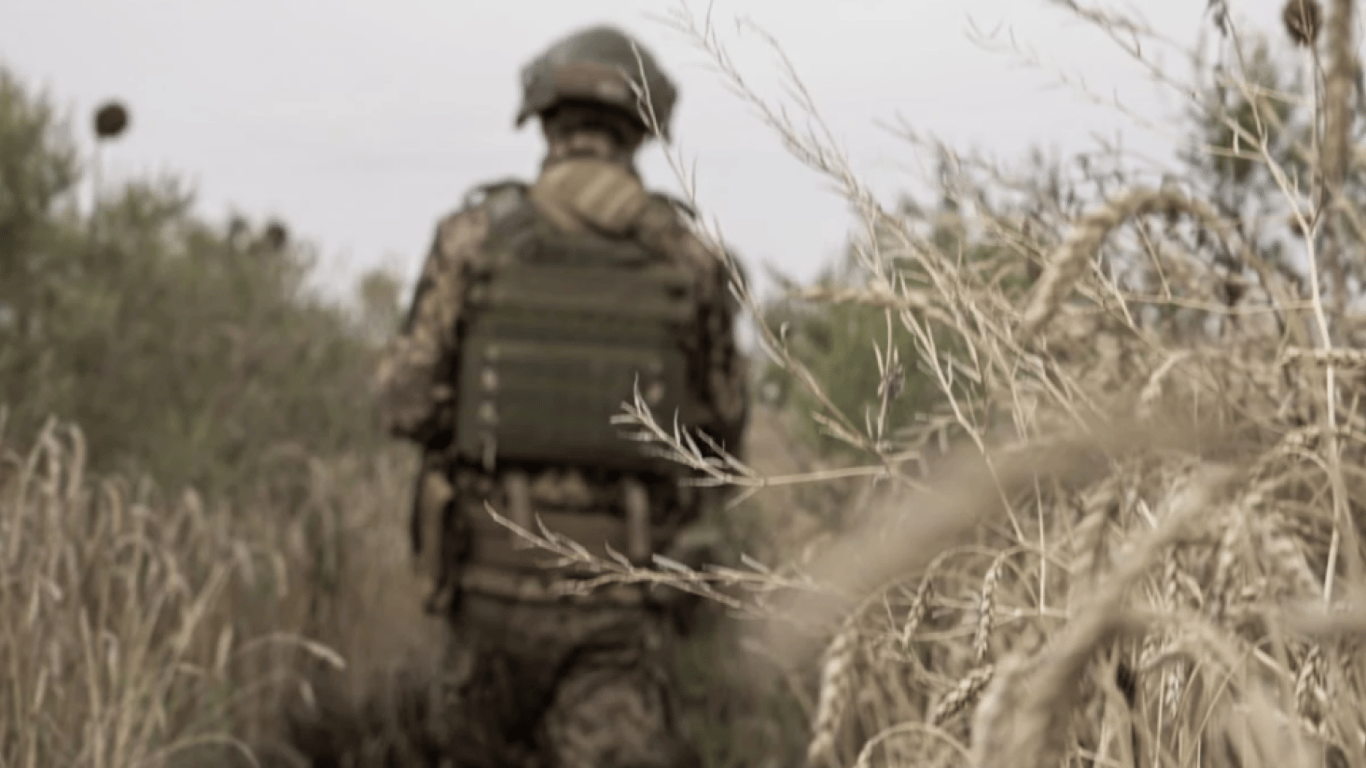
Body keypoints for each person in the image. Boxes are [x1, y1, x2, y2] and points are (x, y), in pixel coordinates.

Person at [372, 23, 749, 768]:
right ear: (643, 130)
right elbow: (723, 444)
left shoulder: (472, 239)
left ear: (543, 119)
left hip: (486, 590)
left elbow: (405, 405)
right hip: (621, 603)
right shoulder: (691, 261)